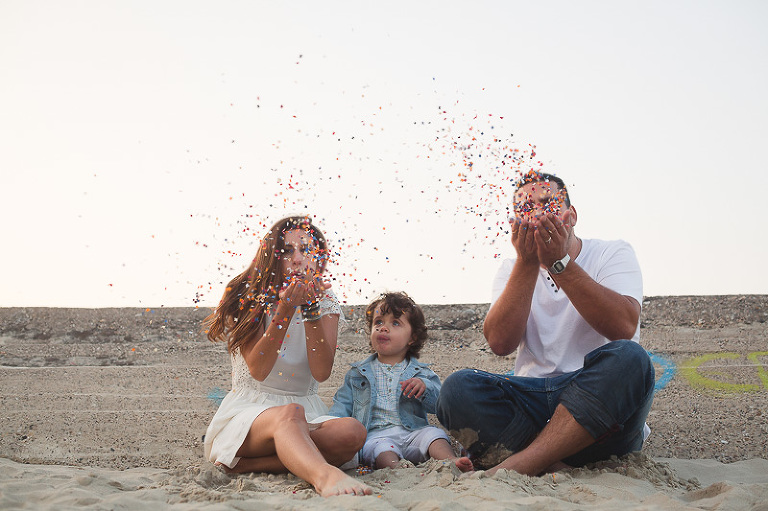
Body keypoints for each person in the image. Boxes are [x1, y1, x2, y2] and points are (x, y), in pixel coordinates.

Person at [436, 170, 655, 476]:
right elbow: (500, 343)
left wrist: (559, 263)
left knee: (632, 359)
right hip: (533, 403)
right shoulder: (511, 268)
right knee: (457, 389)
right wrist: (528, 264)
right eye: (525, 209)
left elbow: (623, 327)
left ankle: (522, 462)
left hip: (601, 415)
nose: (537, 214)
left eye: (547, 202)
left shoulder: (611, 252)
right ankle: (549, 462)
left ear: (572, 215)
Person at [203, 215, 372, 497]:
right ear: (272, 258)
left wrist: (308, 310)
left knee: (353, 432)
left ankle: (244, 466)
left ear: (318, 259)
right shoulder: (249, 294)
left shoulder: (326, 302)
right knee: (290, 414)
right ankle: (324, 475)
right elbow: (259, 369)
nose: (297, 259)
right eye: (287, 251)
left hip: (305, 411)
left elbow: (321, 372)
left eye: (306, 251)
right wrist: (285, 308)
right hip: (249, 414)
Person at [330, 292, 473, 472]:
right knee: (378, 448)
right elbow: (342, 405)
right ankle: (397, 470)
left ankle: (451, 460)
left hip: (414, 432)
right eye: (378, 322)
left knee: (434, 435)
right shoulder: (358, 373)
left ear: (412, 337)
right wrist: (331, 425)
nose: (383, 328)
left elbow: (441, 405)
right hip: (377, 434)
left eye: (395, 323)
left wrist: (425, 388)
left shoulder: (421, 372)